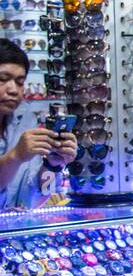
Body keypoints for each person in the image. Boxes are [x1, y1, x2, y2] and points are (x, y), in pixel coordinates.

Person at [0, 40, 77, 209]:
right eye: (2, 79)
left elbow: (35, 199)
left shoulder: (24, 121)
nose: (13, 89)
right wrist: (15, 157)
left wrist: (52, 165)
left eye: (20, 82)